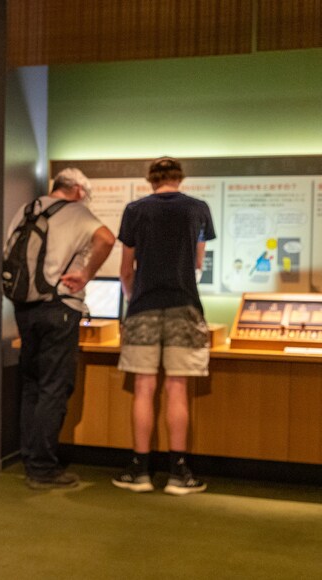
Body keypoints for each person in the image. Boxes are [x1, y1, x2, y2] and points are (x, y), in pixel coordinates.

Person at [6, 168, 116, 489]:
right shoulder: (77, 212)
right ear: (79, 191)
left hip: (24, 307)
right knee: (55, 385)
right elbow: (107, 238)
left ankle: (30, 456)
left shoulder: (27, 210)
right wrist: (85, 274)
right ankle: (43, 467)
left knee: (32, 383)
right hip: (60, 307)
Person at [112, 157, 215, 496]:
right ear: (179, 178)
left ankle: (140, 471)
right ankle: (178, 473)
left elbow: (126, 269)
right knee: (177, 387)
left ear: (151, 180)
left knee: (143, 386)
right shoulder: (198, 209)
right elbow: (199, 262)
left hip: (143, 306)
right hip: (185, 305)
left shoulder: (135, 210)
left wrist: (132, 297)